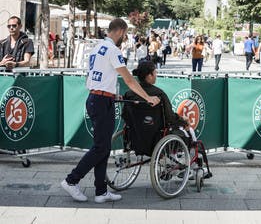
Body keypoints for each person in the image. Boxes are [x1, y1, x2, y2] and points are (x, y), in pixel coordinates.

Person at [61, 18, 160, 203]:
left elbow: (98, 76)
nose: (126, 37)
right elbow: (129, 80)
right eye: (125, 33)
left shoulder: (97, 47)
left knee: (104, 147)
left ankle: (101, 191)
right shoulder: (113, 50)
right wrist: (147, 97)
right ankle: (71, 180)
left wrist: (112, 94)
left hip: (97, 97)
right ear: (121, 31)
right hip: (101, 100)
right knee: (100, 147)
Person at [125, 61, 212, 178]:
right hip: (157, 138)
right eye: (155, 72)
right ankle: (190, 166)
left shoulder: (129, 94)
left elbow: (125, 115)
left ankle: (172, 164)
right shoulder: (158, 94)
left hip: (136, 137)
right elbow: (170, 118)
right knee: (188, 130)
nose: (156, 75)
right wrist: (183, 120)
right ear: (149, 75)